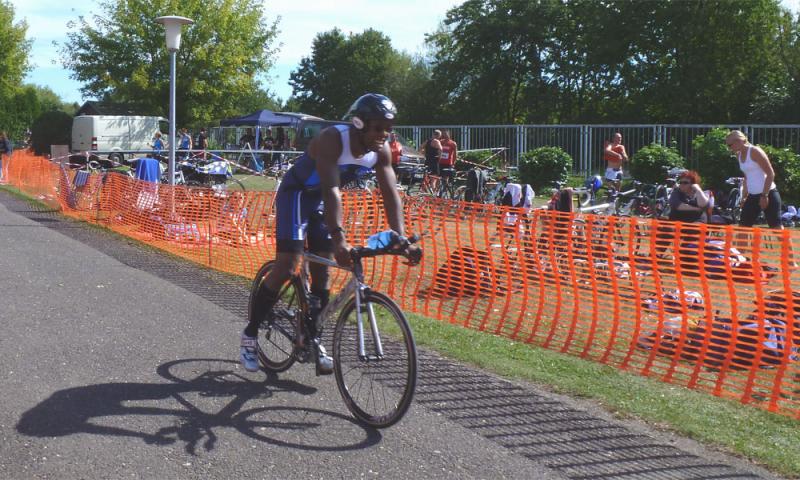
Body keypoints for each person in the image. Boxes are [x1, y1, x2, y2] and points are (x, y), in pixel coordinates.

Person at [239, 93, 420, 374]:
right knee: (288, 265)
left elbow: (390, 193)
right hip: (298, 194)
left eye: (388, 128)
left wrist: (401, 237)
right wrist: (339, 239)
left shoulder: (381, 149)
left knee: (322, 273)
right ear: (359, 123)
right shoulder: (333, 139)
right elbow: (331, 189)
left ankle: (311, 336)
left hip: (322, 200)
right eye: (378, 127)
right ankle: (250, 334)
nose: (384, 134)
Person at [726, 130, 782, 229]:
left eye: (730, 145)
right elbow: (746, 177)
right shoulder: (738, 155)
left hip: (768, 193)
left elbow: (770, 174)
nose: (729, 148)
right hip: (752, 195)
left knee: (776, 228)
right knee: (743, 227)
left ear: (738, 141)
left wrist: (764, 196)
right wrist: (744, 197)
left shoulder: (755, 151)